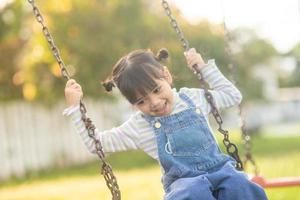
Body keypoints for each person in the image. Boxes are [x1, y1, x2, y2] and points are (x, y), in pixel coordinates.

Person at [63, 48, 268, 200]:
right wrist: (75, 110)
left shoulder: (193, 98)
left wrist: (204, 69)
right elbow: (96, 144)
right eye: (141, 101)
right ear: (132, 105)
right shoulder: (139, 126)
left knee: (240, 185)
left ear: (167, 77)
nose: (154, 103)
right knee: (193, 192)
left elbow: (232, 96)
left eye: (156, 90)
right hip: (184, 185)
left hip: (221, 170)